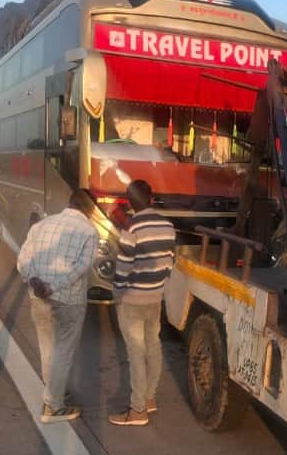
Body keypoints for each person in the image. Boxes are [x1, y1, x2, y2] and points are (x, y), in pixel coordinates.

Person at [16, 200, 98, 423]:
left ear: (70, 204)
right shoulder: (90, 231)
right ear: (90, 210)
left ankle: (54, 389)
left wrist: (35, 281)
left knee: (47, 347)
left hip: (38, 297)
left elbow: (23, 258)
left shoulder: (41, 225)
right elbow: (81, 268)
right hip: (68, 300)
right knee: (63, 350)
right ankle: (53, 406)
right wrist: (53, 287)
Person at [108, 180, 176, 427]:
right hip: (155, 297)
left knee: (136, 353)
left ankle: (137, 411)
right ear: (151, 198)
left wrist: (117, 293)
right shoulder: (167, 226)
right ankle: (149, 398)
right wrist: (158, 287)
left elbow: (123, 268)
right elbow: (169, 262)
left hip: (133, 300)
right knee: (153, 346)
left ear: (129, 202)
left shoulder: (132, 228)